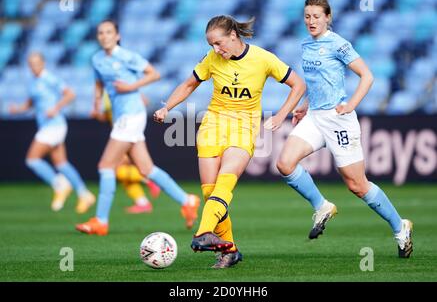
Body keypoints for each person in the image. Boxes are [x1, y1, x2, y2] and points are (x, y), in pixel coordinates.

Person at [154, 15, 306, 268]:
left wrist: (281, 115)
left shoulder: (263, 58)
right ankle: (230, 251)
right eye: (212, 45)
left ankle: (203, 232)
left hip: (243, 127)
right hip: (213, 124)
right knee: (210, 193)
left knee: (225, 182)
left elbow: (298, 85)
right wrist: (166, 107)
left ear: (233, 36)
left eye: (218, 43)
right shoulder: (211, 58)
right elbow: (190, 84)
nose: (215, 49)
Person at [271, 0, 413, 258]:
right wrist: (304, 105)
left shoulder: (338, 44)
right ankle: (322, 206)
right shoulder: (305, 44)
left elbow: (367, 76)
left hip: (339, 120)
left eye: (316, 16)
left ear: (328, 17)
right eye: (307, 16)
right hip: (314, 116)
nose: (311, 21)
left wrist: (350, 105)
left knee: (357, 185)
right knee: (285, 164)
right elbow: (316, 82)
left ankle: (400, 227)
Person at [76, 20, 200, 236]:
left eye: (108, 32)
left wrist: (130, 87)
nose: (104, 36)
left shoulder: (126, 56)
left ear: (117, 36)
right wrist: (96, 104)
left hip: (131, 114)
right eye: (100, 33)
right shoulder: (97, 59)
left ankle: (101, 221)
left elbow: (154, 74)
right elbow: (98, 83)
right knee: (146, 169)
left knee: (106, 165)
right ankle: (187, 200)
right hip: (121, 116)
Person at [9, 52, 96, 213]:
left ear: (43, 63)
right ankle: (84, 194)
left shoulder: (50, 78)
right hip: (46, 126)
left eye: (36, 63)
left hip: (54, 125)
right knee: (61, 163)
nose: (34, 67)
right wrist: (17, 109)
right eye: (31, 64)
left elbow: (70, 94)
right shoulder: (33, 83)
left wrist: (55, 108)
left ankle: (59, 184)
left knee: (32, 159)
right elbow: (30, 104)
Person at [93, 91, 161, 214]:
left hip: (127, 134)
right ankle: (143, 203)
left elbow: (145, 101)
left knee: (117, 170)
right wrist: (98, 114)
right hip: (119, 135)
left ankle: (149, 179)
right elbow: (107, 116)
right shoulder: (108, 92)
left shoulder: (121, 86)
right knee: (122, 175)